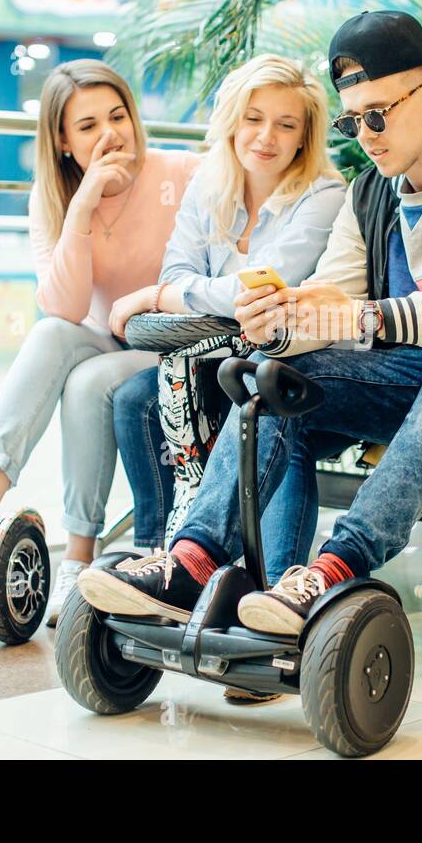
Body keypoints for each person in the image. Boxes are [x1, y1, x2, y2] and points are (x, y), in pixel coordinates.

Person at [76, 9, 422, 637]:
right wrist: (277, 325)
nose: (366, 134)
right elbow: (331, 306)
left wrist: (376, 317)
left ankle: (336, 569)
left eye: (377, 115)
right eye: (352, 120)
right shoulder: (370, 196)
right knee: (279, 376)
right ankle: (210, 572)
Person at [0, 59, 199, 629]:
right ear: (62, 141)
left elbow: (254, 182)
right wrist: (83, 206)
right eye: (87, 126)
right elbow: (63, 306)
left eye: (118, 116)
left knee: (87, 381)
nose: (111, 134)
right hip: (105, 338)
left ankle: (77, 554)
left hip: (173, 343)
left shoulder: (178, 171)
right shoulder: (55, 196)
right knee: (49, 334)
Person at [109, 53, 345, 584]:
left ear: (305, 137)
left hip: (293, 364)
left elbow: (265, 284)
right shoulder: (207, 185)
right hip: (209, 360)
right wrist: (186, 290)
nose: (266, 136)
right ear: (232, 120)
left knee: (268, 405)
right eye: (253, 118)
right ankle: (158, 559)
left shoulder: (325, 195)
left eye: (286, 125)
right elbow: (185, 269)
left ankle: (275, 583)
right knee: (135, 400)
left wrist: (161, 294)